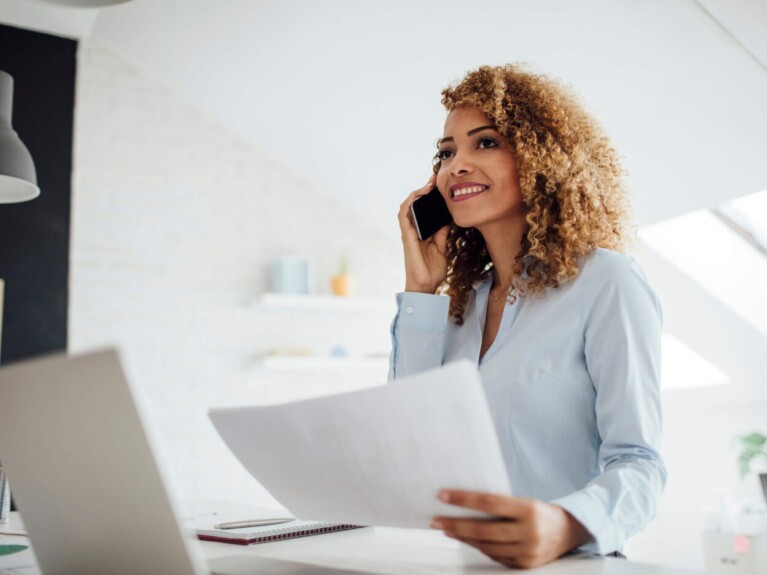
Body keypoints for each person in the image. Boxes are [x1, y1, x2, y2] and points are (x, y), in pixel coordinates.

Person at [389, 64, 666, 570]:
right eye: (447, 152)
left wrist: (564, 524)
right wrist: (421, 292)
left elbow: (639, 463)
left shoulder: (606, 282)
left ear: (542, 158)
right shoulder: (456, 304)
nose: (457, 166)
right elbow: (410, 441)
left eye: (486, 143)